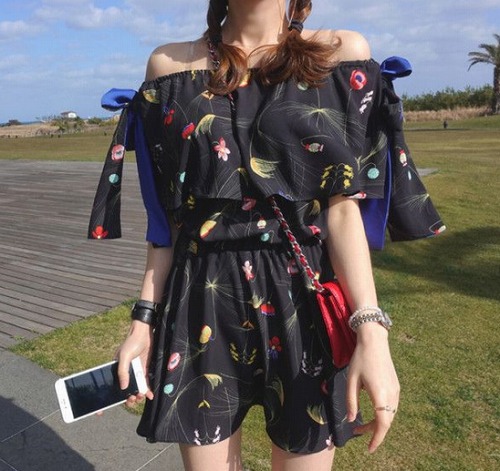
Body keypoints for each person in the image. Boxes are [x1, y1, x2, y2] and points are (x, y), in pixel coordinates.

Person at [88, 1, 445, 469]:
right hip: (201, 297)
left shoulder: (340, 55)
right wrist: (143, 320)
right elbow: (169, 222)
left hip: (303, 296)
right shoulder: (170, 67)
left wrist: (371, 331)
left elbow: (342, 210)